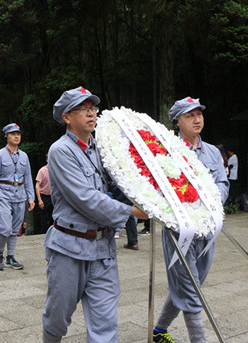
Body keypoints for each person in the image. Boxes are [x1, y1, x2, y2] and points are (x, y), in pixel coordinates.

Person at [41, 86, 148, 343]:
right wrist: (134, 212)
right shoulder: (61, 151)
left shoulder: (99, 148)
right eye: (83, 109)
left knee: (105, 323)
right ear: (67, 117)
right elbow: (86, 198)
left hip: (103, 249)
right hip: (70, 248)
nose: (91, 114)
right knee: (58, 318)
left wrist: (147, 196)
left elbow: (114, 184)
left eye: (93, 108)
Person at [153, 97, 229, 343]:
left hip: (207, 231)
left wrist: (210, 204)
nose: (197, 119)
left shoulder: (213, 152)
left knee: (189, 285)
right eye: (189, 115)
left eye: (199, 114)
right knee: (190, 287)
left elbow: (222, 185)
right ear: (177, 121)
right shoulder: (168, 150)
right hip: (180, 232)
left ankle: (159, 330)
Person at [0, 123, 35, 271]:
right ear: (6, 136)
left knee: (15, 229)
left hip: (20, 194)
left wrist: (31, 197)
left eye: (18, 134)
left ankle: (10, 256)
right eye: (13, 134)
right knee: (5, 228)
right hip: (4, 194)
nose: (16, 136)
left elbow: (28, 177)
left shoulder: (24, 156)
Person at [35, 154, 53, 234]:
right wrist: (39, 200)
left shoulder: (56, 170)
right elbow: (37, 185)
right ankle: (43, 234)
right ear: (47, 160)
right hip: (44, 196)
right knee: (44, 217)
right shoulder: (42, 170)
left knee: (54, 216)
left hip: (54, 196)